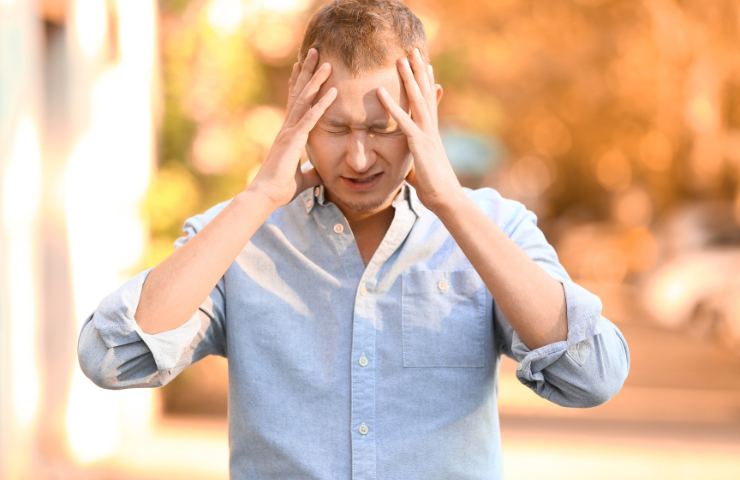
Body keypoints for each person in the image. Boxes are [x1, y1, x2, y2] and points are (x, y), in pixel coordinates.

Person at [77, 0, 630, 478]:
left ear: (427, 108)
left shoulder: (494, 228)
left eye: (384, 129)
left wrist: (451, 203)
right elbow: (112, 357)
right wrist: (257, 199)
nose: (360, 157)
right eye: (335, 128)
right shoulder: (240, 236)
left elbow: (592, 375)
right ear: (298, 110)